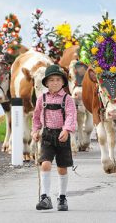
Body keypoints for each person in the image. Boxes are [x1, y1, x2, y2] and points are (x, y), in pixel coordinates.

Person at [32, 64, 77, 211]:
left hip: (62, 135)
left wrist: (66, 129)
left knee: (62, 168)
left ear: (63, 82)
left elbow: (71, 115)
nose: (55, 82)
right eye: (51, 80)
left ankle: (62, 198)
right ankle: (45, 197)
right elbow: (36, 117)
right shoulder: (42, 98)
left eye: (58, 79)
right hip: (47, 135)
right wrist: (35, 130)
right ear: (46, 83)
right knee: (45, 164)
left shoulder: (68, 99)